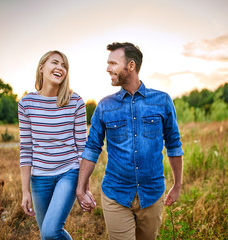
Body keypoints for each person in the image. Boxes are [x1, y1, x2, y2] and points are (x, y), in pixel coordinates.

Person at [76, 42, 183, 240]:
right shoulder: (105, 106)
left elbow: (174, 145)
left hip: (152, 194)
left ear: (131, 66)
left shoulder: (162, 101)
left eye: (113, 63)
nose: (108, 68)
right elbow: (92, 148)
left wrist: (177, 185)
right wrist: (80, 188)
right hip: (116, 194)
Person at [18, 50, 88, 239]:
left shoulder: (75, 102)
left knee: (50, 232)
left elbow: (83, 148)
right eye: (55, 63)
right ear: (42, 68)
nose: (60, 68)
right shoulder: (26, 103)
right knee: (46, 235)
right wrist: (25, 192)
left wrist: (84, 187)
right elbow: (26, 150)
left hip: (69, 172)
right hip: (39, 178)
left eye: (64, 65)